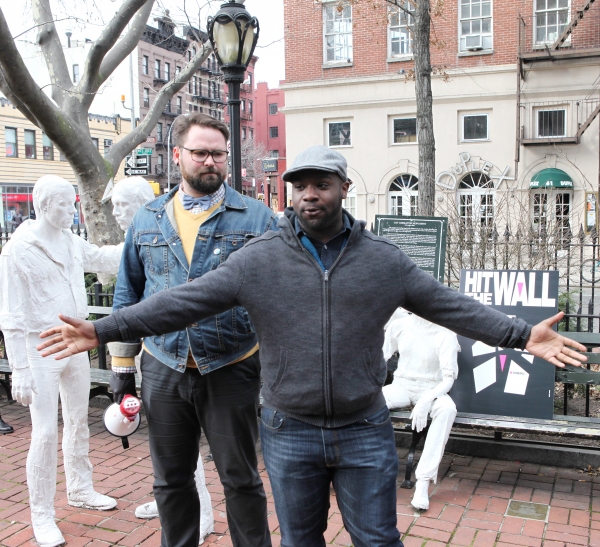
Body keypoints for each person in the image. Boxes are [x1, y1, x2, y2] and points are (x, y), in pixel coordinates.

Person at [37, 146, 587, 547]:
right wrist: (106, 328)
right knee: (301, 541)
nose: (308, 195)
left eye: (321, 183)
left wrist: (522, 334)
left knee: (377, 539)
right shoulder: (259, 260)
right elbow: (185, 301)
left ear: (344, 187)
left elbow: (449, 305)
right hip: (288, 430)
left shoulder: (383, 261)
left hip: (363, 428)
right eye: (299, 185)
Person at [99, 113, 276, 547]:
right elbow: (128, 299)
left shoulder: (258, 219)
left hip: (232, 366)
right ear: (177, 155)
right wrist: (122, 372)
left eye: (219, 154)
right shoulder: (148, 220)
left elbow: (278, 301)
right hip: (163, 367)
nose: (210, 161)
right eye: (200, 153)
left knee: (241, 479)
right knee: (170, 482)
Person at [0, 176, 121, 547]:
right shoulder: (18, 250)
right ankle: (41, 513)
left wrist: (137, 236)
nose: (72, 210)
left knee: (77, 421)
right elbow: (11, 316)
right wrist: (19, 368)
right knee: (45, 432)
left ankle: (80, 489)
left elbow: (102, 258)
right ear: (43, 206)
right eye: (65, 205)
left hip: (75, 345)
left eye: (73, 204)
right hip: (40, 349)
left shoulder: (69, 240)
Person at [109, 175, 215, 542]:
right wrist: (122, 368)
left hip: (186, 356)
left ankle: (202, 512)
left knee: (187, 442)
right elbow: (126, 297)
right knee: (166, 443)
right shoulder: (136, 237)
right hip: (153, 355)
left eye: (121, 205)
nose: (115, 212)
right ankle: (170, 500)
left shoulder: (171, 231)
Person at [383, 312, 460, 511]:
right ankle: (373, 468)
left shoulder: (445, 333)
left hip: (432, 388)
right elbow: (380, 355)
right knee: (368, 402)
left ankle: (423, 480)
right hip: (401, 385)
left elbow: (448, 379)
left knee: (447, 408)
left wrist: (426, 400)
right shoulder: (399, 325)